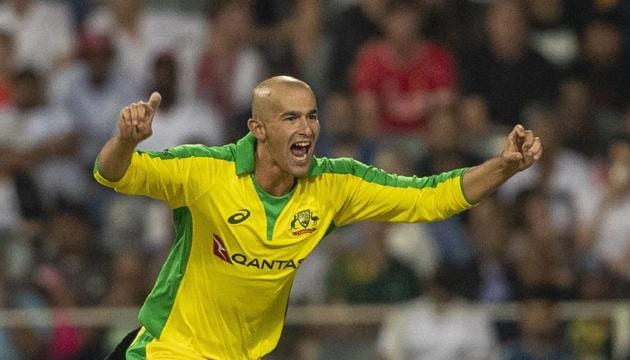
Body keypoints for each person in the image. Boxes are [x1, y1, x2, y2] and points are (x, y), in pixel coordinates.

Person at [94, 75, 542, 359]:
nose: (307, 129)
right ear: (259, 129)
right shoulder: (206, 171)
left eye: (312, 116)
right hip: (169, 350)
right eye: (291, 118)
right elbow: (112, 173)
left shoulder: (333, 185)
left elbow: (429, 198)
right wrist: (125, 141)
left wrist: (502, 166)